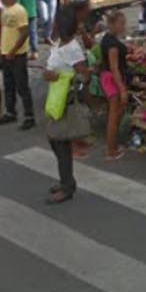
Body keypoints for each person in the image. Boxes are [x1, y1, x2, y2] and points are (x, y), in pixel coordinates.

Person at [39, 16, 94, 205]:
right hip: (56, 96)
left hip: (67, 98)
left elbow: (84, 74)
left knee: (60, 141)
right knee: (55, 140)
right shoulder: (59, 43)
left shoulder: (72, 48)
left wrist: (64, 80)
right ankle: (67, 181)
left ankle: (67, 186)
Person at [0, 0, 34, 130]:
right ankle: (10, 112)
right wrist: (3, 49)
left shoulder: (19, 11)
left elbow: (24, 32)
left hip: (17, 54)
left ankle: (29, 115)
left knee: (22, 85)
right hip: (6, 52)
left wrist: (12, 51)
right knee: (8, 84)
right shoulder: (5, 11)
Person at [98, 8, 131, 162]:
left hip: (108, 77)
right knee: (114, 115)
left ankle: (113, 147)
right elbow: (114, 68)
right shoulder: (112, 44)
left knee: (116, 113)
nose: (124, 26)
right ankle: (111, 151)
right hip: (112, 79)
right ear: (112, 25)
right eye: (121, 24)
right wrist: (122, 89)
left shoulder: (108, 39)